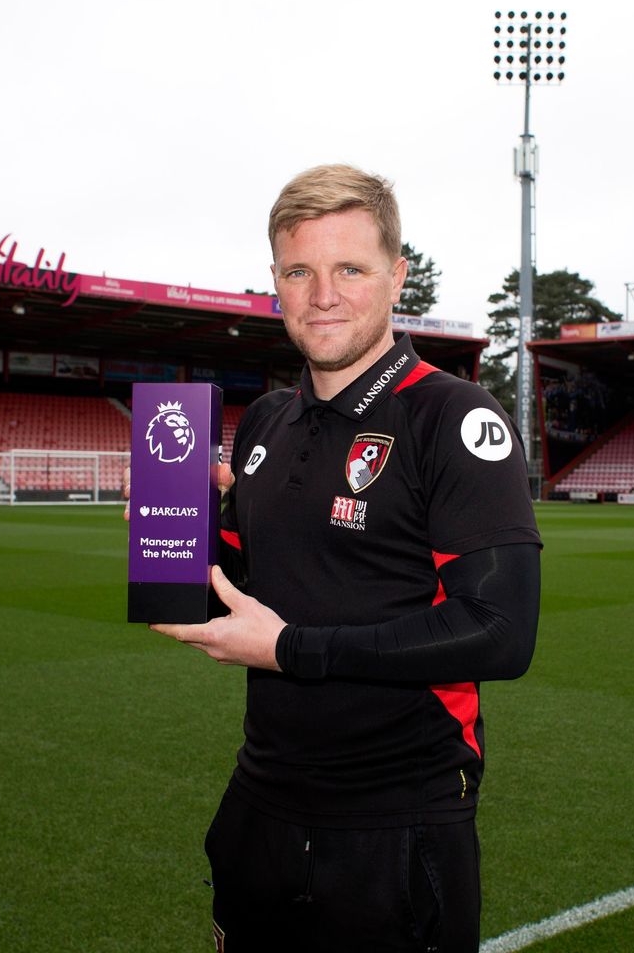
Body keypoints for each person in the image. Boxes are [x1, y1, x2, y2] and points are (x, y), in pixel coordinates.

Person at [150, 164, 542, 952]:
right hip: (261, 807)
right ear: (276, 283)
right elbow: (226, 595)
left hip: (395, 823)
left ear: (397, 278)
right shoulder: (264, 422)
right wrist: (168, 532)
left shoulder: (453, 416)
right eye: (300, 270)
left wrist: (291, 650)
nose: (322, 293)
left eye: (350, 269)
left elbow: (502, 631)